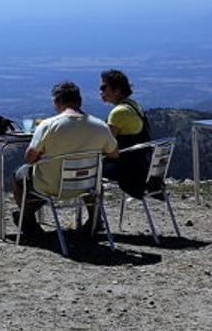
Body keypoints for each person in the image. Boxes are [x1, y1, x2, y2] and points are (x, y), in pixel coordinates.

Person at [13, 80, 118, 240]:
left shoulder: (48, 125)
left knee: (20, 174)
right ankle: (94, 219)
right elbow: (114, 154)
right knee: (94, 176)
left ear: (57, 101)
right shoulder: (100, 126)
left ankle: (27, 221)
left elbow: (29, 158)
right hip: (86, 186)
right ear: (80, 101)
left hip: (50, 187)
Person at [99, 69, 154, 197]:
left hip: (128, 169)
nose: (100, 91)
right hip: (142, 165)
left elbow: (106, 143)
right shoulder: (134, 105)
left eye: (103, 87)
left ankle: (94, 214)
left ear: (117, 90)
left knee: (88, 170)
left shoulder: (118, 112)